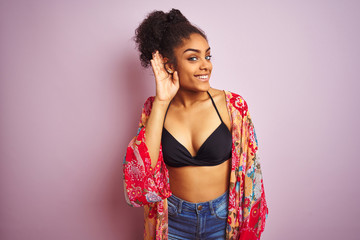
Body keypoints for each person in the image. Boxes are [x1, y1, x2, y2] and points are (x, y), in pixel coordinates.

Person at [123, 8, 268, 240]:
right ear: (169, 65)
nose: (205, 66)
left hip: (222, 220)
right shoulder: (154, 109)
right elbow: (142, 176)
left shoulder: (233, 106)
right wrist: (161, 101)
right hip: (173, 222)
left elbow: (251, 175)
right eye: (193, 58)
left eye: (207, 56)